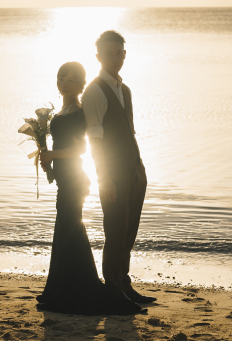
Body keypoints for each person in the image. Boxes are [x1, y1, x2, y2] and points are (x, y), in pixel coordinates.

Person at [36, 61, 143, 316]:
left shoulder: (77, 112)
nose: (63, 83)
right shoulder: (62, 110)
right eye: (61, 78)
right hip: (65, 178)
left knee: (71, 231)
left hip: (75, 180)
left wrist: (52, 156)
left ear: (81, 84)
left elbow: (80, 149)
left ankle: (78, 291)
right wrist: (48, 157)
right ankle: (60, 289)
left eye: (70, 80)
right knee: (65, 231)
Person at [81, 31, 156, 306]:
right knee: (115, 232)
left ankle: (124, 284)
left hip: (135, 171)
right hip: (112, 174)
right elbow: (94, 139)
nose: (115, 57)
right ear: (98, 56)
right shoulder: (94, 91)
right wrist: (105, 179)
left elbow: (129, 132)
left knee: (129, 233)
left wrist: (140, 169)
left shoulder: (125, 90)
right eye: (109, 53)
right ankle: (112, 290)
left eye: (119, 52)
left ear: (124, 54)